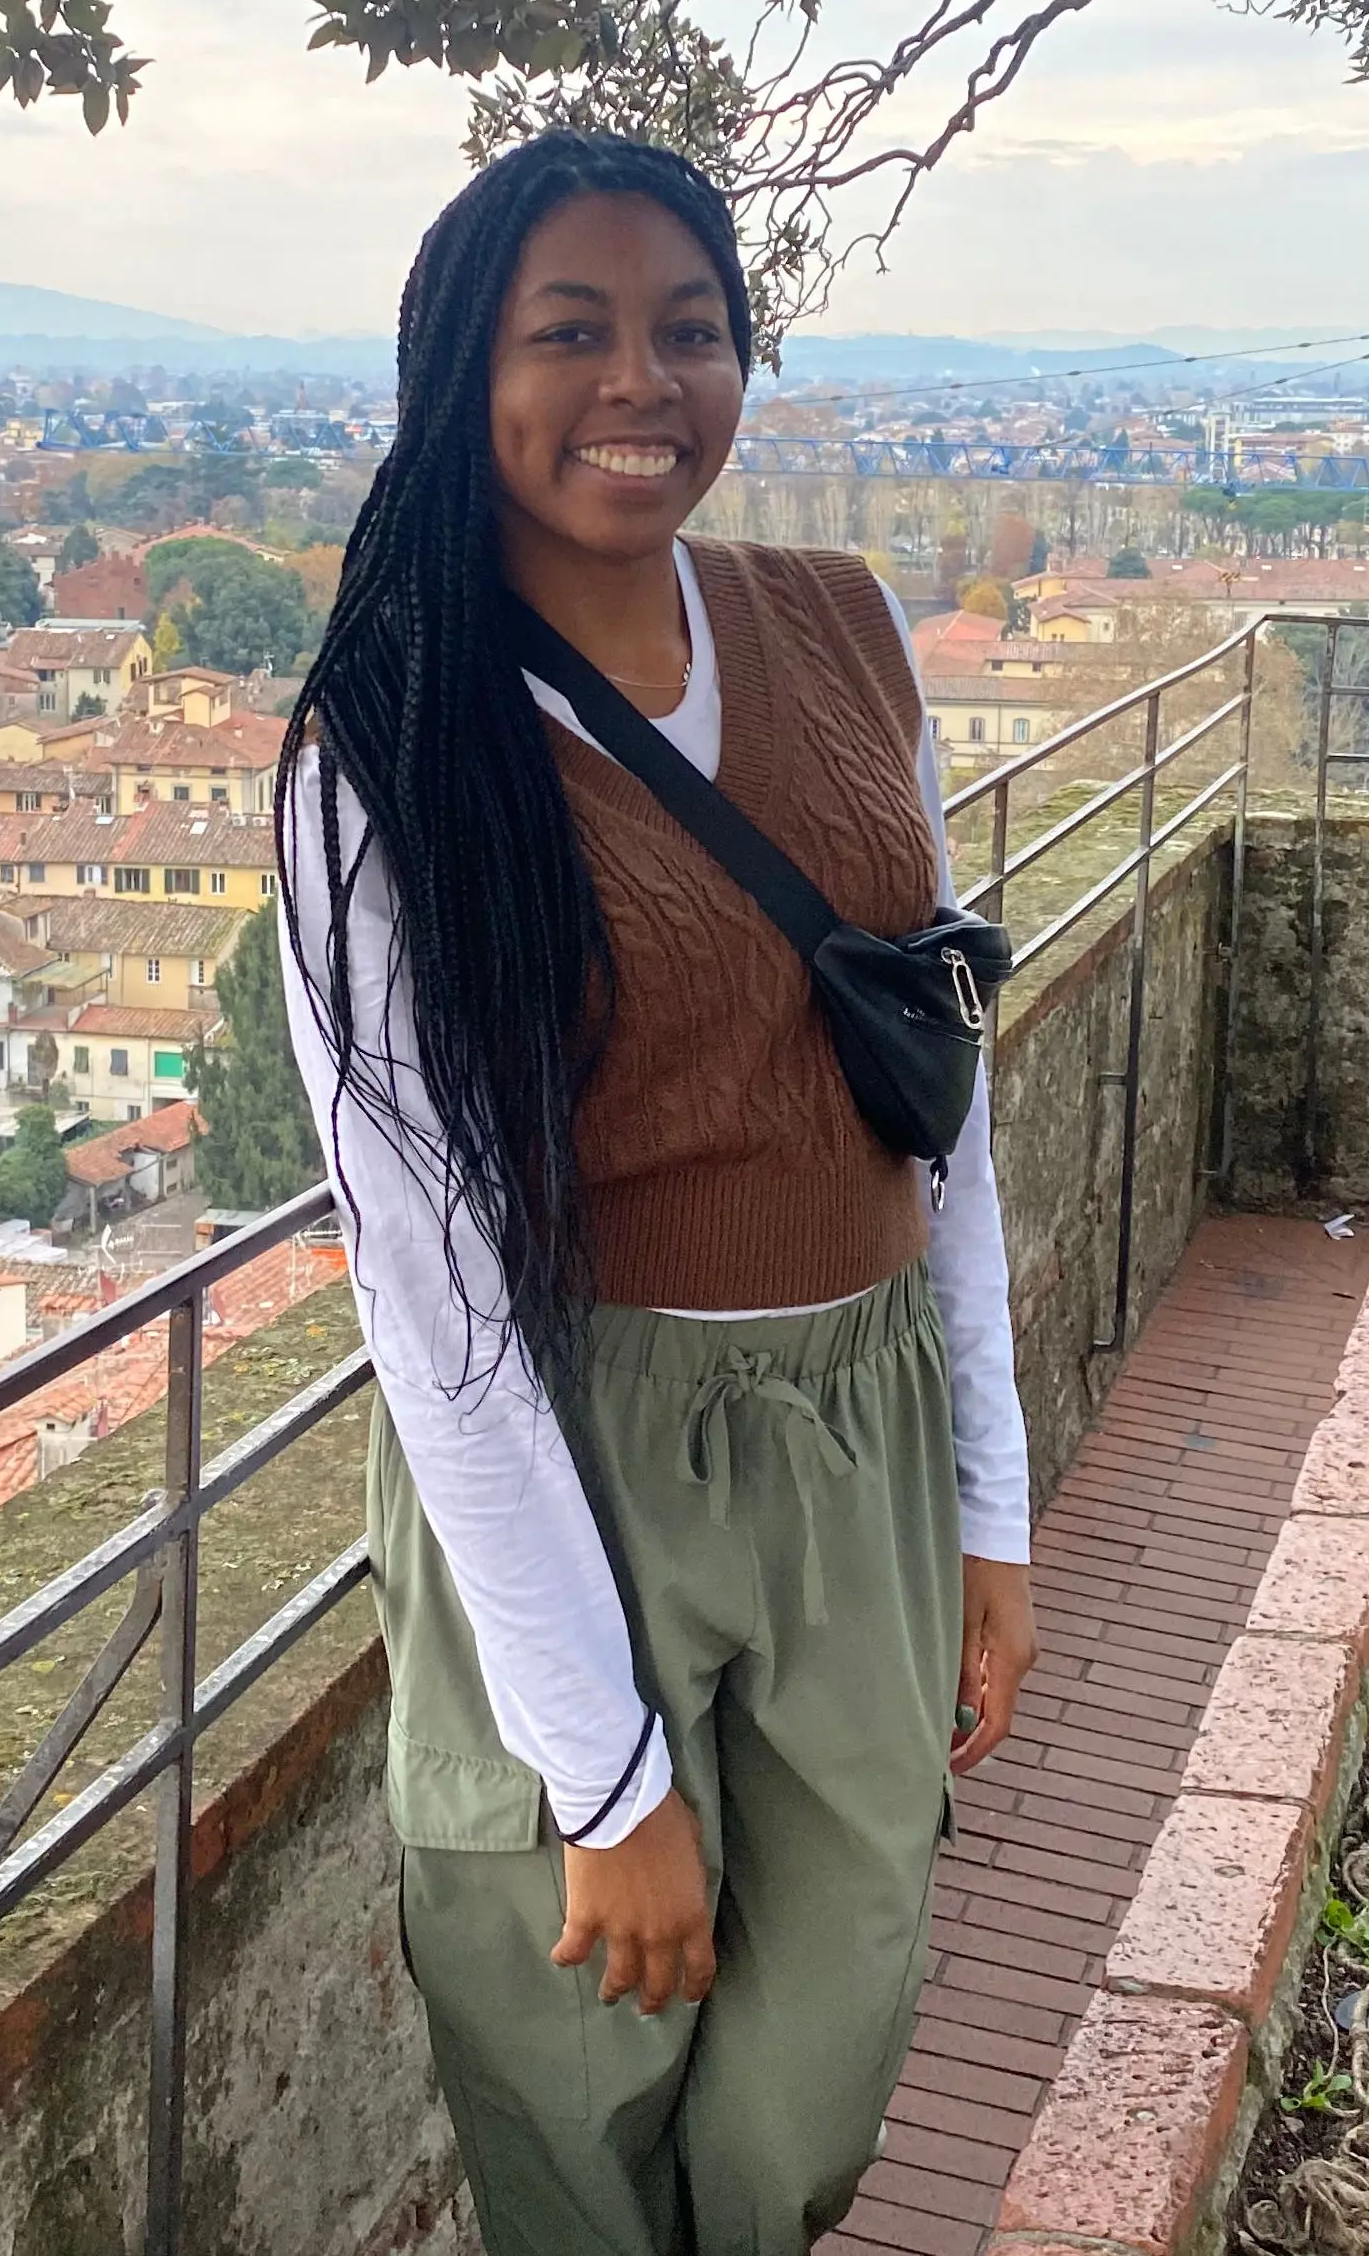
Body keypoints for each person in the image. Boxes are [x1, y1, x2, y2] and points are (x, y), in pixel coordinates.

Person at [277, 130, 1037, 2256]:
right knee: (581, 2096)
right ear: (463, 369)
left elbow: (931, 1086)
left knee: (823, 2048)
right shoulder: (390, 749)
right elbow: (429, 1298)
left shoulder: (843, 632)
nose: (643, 380)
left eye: (688, 329)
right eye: (574, 330)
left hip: (861, 1429)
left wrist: (989, 1504)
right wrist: (601, 1782)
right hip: (573, 1450)